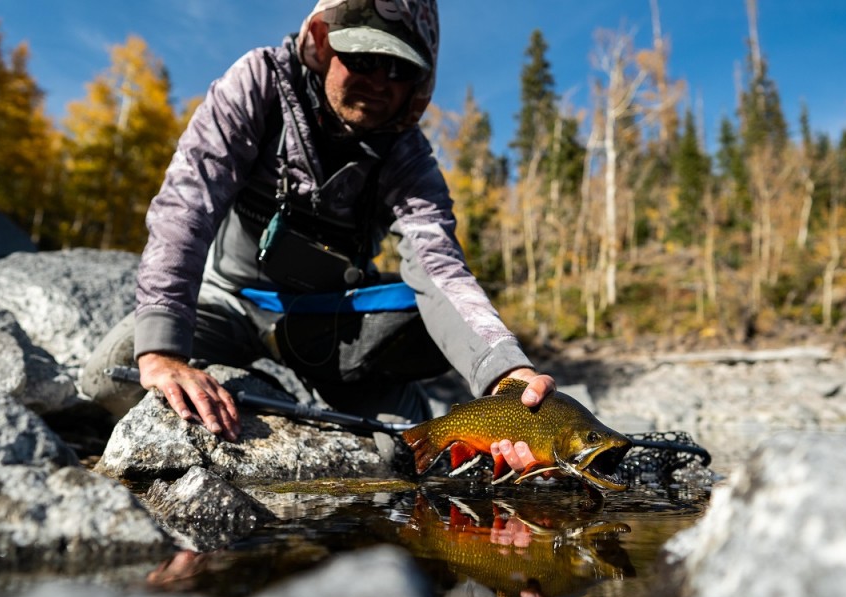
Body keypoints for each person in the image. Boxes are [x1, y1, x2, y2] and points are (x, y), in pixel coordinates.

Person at [81, 0, 553, 475]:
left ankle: (395, 397)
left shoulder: (409, 157)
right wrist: (162, 351)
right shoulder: (260, 82)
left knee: (405, 457)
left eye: (400, 68)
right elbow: (187, 204)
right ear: (324, 43)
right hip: (225, 301)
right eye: (363, 58)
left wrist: (508, 375)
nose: (379, 81)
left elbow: (441, 268)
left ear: (420, 79)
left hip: (330, 328)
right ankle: (262, 380)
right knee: (108, 377)